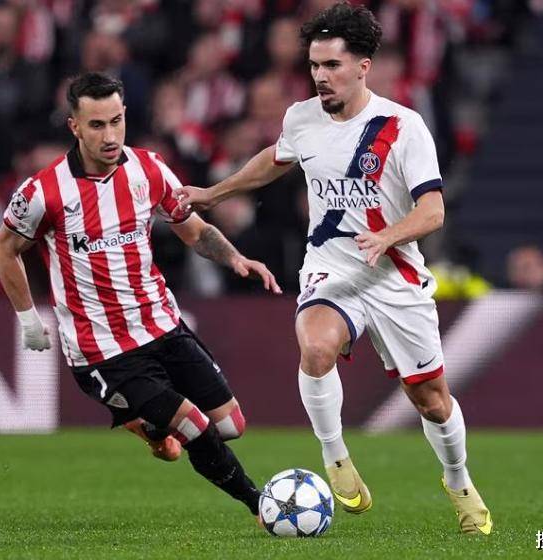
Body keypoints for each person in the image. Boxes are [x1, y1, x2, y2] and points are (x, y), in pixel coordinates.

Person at [175, 3, 492, 535]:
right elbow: (275, 159)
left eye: (332, 65)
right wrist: (215, 192)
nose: (320, 76)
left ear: (363, 67)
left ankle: (459, 480)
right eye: (314, 65)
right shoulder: (302, 118)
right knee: (316, 347)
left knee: (432, 402)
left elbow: (433, 211)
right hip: (331, 268)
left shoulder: (402, 126)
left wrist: (388, 235)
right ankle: (335, 455)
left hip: (393, 276)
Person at [0, 72, 280, 519]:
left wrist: (235, 258)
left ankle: (150, 426)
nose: (110, 136)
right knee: (195, 427)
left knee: (230, 425)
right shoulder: (43, 191)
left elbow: (193, 230)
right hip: (103, 349)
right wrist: (29, 320)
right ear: (74, 126)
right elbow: (5, 248)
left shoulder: (149, 169)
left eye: (116, 121)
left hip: (162, 325)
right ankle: (263, 507)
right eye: (96, 125)